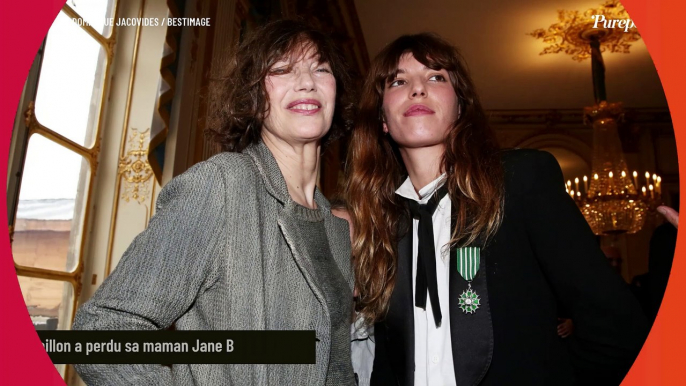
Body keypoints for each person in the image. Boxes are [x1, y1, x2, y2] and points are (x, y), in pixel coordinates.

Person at [344, 33, 648, 386]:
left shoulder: (519, 182)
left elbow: (617, 328)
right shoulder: (380, 223)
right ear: (382, 117)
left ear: (460, 107)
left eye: (436, 77)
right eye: (398, 81)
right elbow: (388, 358)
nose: (417, 89)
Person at [73, 20, 357, 386]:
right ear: (253, 96)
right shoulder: (221, 186)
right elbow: (102, 333)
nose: (307, 81)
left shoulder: (335, 228)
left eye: (321, 69)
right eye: (283, 69)